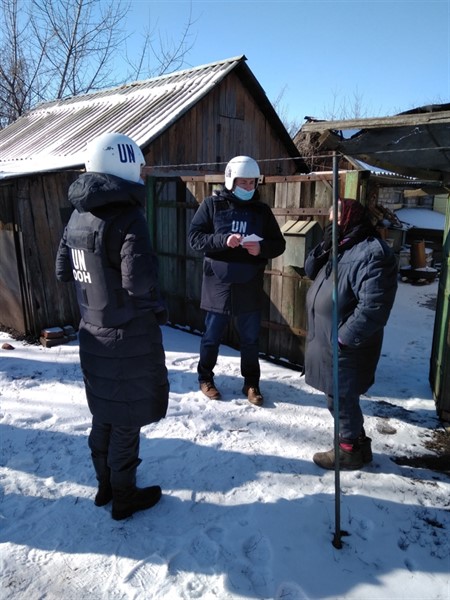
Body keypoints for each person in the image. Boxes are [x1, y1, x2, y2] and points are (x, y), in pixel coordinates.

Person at [55, 132, 169, 520]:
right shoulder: (129, 216)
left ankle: (104, 484)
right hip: (128, 336)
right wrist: (156, 297)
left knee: (104, 411)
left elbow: (61, 271)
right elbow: (138, 282)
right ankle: (123, 496)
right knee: (126, 421)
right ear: (124, 166)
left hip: (92, 331)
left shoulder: (76, 215)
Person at [304, 198, 398, 470]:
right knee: (339, 398)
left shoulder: (372, 253)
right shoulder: (342, 246)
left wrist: (343, 338)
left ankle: (347, 451)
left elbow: (374, 307)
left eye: (337, 218)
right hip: (330, 340)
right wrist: (324, 246)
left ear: (351, 218)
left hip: (347, 345)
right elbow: (311, 270)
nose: (332, 223)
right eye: (330, 219)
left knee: (342, 399)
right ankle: (358, 444)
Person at [188, 155, 286, 406]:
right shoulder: (212, 205)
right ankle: (205, 378)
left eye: (252, 183)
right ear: (231, 181)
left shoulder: (261, 210)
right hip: (217, 283)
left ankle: (251, 383)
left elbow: (279, 244)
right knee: (211, 336)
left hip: (249, 283)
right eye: (243, 182)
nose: (248, 187)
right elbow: (195, 238)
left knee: (250, 339)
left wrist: (261, 248)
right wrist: (222, 241)